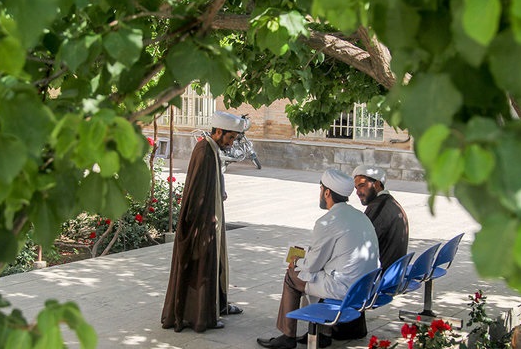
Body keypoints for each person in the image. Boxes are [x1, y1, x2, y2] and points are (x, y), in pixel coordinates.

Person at [256, 169, 379, 349]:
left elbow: (312, 265)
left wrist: (297, 262)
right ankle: (322, 334)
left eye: (321, 189)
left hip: (344, 288)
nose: (320, 193)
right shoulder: (360, 216)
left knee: (293, 275)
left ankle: (287, 335)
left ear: (327, 192)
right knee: (314, 275)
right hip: (365, 286)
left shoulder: (327, 221)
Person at [161, 111, 246, 333]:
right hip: (202, 223)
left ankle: (218, 305)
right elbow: (196, 194)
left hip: (211, 219)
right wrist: (203, 225)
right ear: (219, 132)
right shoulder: (204, 151)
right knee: (203, 268)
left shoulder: (211, 149)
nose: (231, 143)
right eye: (230, 138)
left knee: (215, 265)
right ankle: (201, 316)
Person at [353, 165, 409, 271]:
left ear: (377, 184)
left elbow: (362, 245)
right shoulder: (388, 201)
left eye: (362, 186)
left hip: (383, 275)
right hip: (394, 272)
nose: (358, 192)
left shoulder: (379, 207)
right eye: (356, 188)